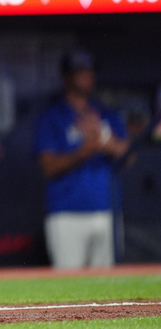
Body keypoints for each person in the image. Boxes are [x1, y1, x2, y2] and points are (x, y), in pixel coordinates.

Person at [35, 49, 130, 268]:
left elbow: (128, 154)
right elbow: (48, 166)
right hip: (66, 214)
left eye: (90, 71)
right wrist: (84, 151)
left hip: (106, 210)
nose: (87, 76)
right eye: (80, 72)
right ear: (66, 76)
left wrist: (103, 140)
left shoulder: (105, 113)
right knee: (68, 283)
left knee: (107, 287)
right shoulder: (52, 116)